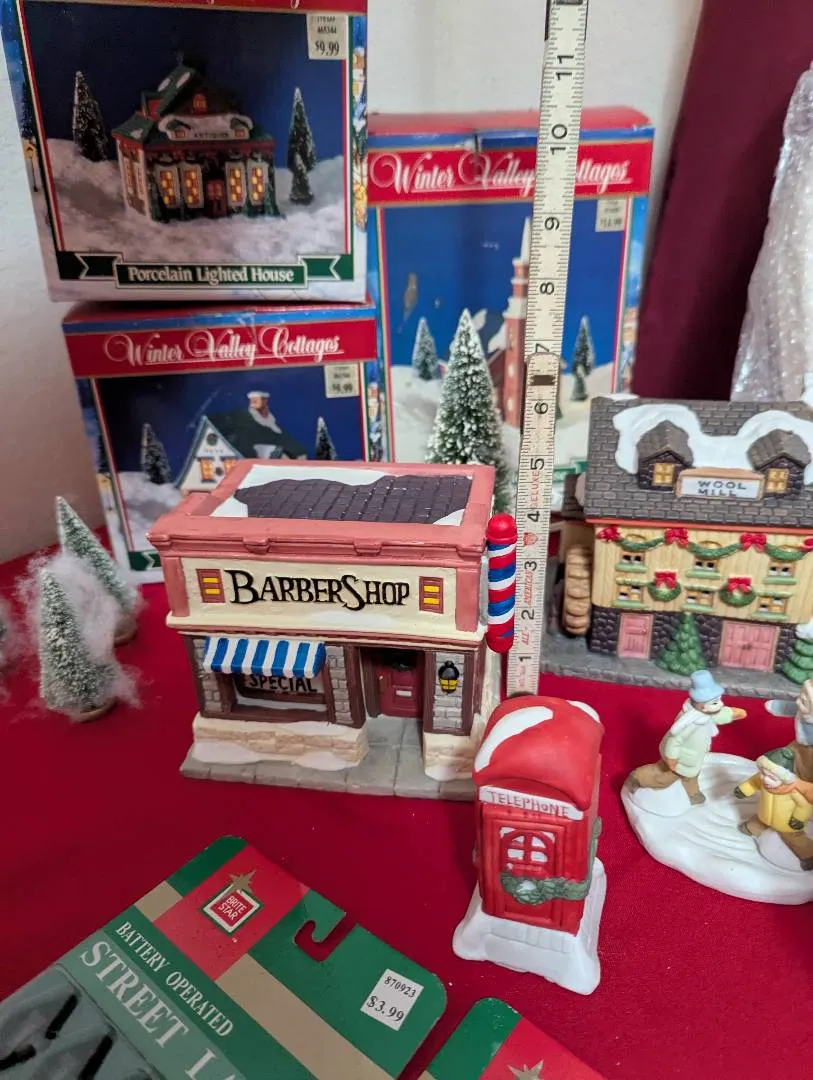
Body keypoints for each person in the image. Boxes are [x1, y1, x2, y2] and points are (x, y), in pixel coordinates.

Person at [627, 670, 747, 805]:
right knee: (665, 777)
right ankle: (638, 777)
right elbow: (675, 740)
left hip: (694, 757)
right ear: (700, 704)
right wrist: (672, 757)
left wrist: (731, 714)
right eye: (715, 702)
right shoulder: (688, 722)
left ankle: (693, 793)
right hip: (681, 757)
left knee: (692, 774)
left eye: (719, 700)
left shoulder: (706, 713)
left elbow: (718, 715)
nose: (720, 704)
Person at [734, 748, 813, 870]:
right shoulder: (762, 779)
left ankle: (808, 856)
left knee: (795, 839)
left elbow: (804, 805)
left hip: (785, 824)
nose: (765, 779)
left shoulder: (793, 791)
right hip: (763, 816)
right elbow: (753, 782)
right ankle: (751, 829)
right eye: (763, 773)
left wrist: (798, 819)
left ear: (785, 778)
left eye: (772, 778)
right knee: (756, 823)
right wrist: (743, 790)